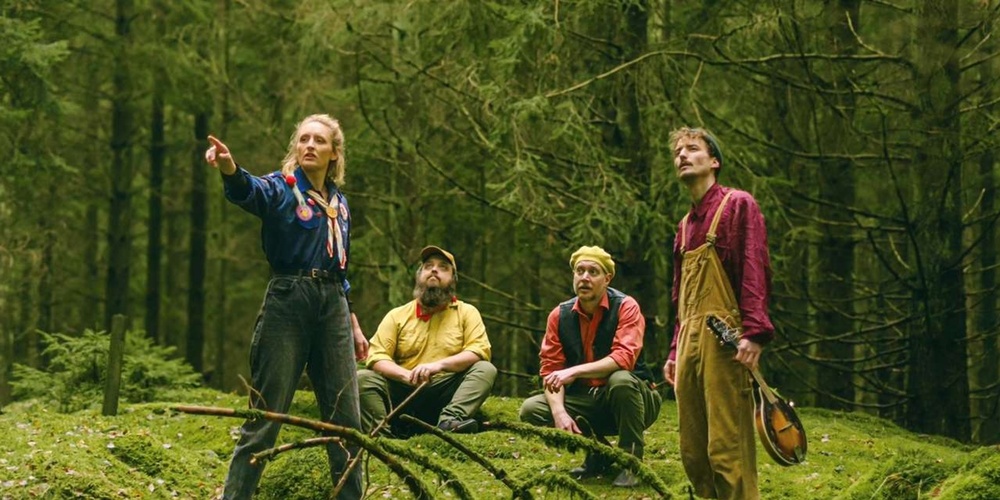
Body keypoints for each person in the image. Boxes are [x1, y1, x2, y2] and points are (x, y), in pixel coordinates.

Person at [205, 114, 367, 499]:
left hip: (334, 308)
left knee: (346, 421)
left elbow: (340, 267)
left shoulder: (340, 204)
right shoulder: (282, 189)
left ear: (334, 153)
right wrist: (230, 168)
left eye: (319, 141)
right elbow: (250, 191)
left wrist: (353, 321)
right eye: (304, 139)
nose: (309, 145)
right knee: (267, 415)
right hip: (288, 302)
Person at [661, 127, 774, 499]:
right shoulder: (683, 226)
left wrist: (754, 333)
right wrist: (676, 349)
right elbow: (680, 295)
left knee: (727, 448)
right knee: (693, 452)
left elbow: (754, 268)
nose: (682, 155)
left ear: (714, 161)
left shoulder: (738, 204)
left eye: (692, 149)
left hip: (725, 339)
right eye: (678, 150)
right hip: (689, 340)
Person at [519, 246, 661, 488]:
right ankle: (599, 454)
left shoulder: (626, 306)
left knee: (621, 380)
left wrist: (573, 371)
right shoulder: (559, 315)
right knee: (532, 409)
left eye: (593, 272)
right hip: (587, 400)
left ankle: (631, 462)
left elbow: (624, 358)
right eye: (580, 271)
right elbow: (550, 371)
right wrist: (559, 413)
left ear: (607, 279)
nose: (584, 277)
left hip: (635, 399)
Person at [358, 245, 496, 436]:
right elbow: (376, 357)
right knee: (363, 378)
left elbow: (479, 351)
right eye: (428, 266)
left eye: (443, 267)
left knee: (485, 369)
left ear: (453, 280)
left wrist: (438, 366)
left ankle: (450, 421)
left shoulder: (467, 313)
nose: (434, 270)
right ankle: (383, 438)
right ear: (419, 276)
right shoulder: (397, 315)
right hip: (404, 391)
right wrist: (406, 376)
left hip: (445, 390)